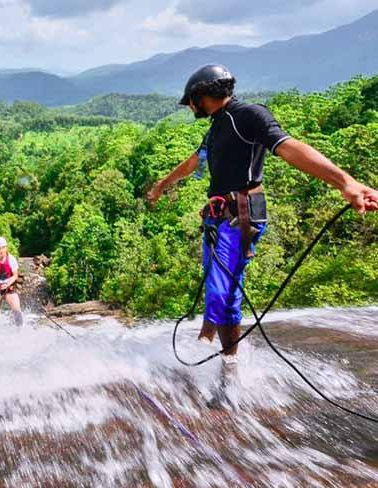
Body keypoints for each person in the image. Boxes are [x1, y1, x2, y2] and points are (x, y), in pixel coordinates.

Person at [147, 64, 378, 366]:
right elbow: (194, 161)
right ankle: (228, 363)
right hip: (220, 217)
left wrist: (345, 183)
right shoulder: (217, 126)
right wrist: (162, 185)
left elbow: (290, 147)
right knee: (223, 290)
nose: (191, 106)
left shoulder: (248, 116)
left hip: (239, 215)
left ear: (203, 94)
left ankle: (202, 349)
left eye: (192, 100)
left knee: (220, 288)